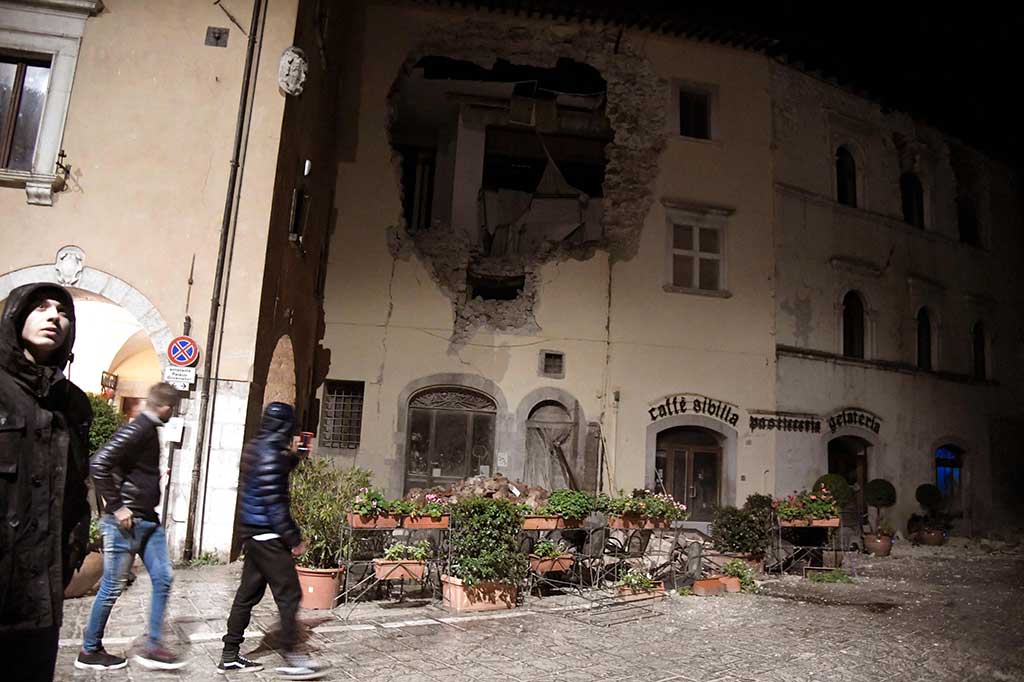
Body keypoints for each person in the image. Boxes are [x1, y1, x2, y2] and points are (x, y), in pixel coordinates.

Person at [0, 283, 93, 682]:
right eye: (40, 308)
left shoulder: (71, 403)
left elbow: (77, 488)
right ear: (17, 316)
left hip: (41, 594)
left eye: (62, 311)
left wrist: (72, 548)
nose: (54, 316)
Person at [77, 381, 186, 671]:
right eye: (172, 408)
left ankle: (152, 645)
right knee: (112, 586)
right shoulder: (138, 429)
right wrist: (117, 506)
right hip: (126, 522)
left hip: (148, 520)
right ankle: (89, 650)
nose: (171, 413)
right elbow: (98, 463)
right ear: (165, 406)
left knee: (163, 577)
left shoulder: (148, 430)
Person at [218, 402, 326, 679]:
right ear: (285, 425)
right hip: (269, 536)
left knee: (247, 595)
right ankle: (293, 657)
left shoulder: (256, 448)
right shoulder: (272, 455)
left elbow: (277, 469)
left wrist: (297, 454)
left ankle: (229, 655)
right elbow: (275, 504)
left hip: (252, 534)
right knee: (289, 596)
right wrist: (294, 539)